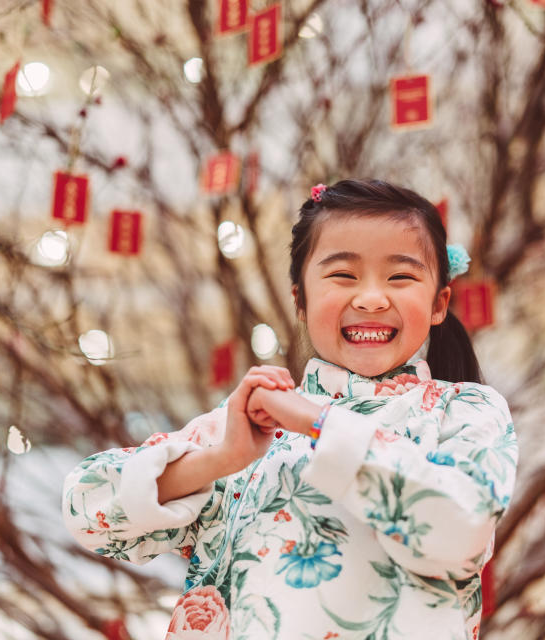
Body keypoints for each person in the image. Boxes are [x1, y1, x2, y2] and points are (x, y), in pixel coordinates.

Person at [62, 179, 517, 640]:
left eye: (400, 277)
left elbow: (462, 527)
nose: (371, 298)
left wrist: (316, 423)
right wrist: (221, 459)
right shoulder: (248, 423)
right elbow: (89, 509)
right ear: (300, 299)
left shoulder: (463, 411)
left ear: (439, 303)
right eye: (343, 275)